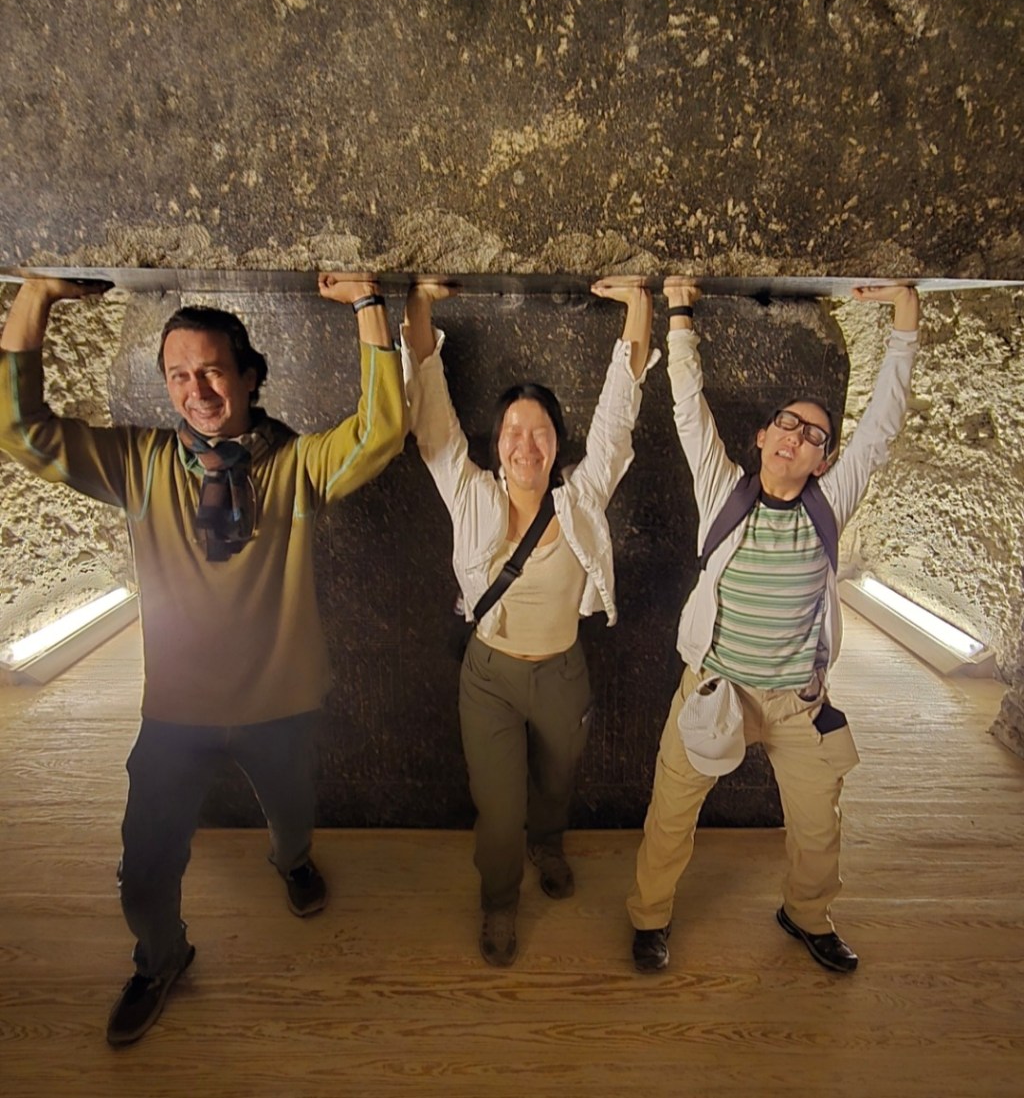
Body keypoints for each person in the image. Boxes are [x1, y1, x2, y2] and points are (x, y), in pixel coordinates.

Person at [0, 273, 406, 1045]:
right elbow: (22, 430)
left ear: (250, 376)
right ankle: (161, 958)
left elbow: (379, 432)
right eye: (179, 376)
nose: (198, 390)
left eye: (214, 370)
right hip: (176, 714)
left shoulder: (292, 465)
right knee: (144, 867)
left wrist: (367, 305)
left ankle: (290, 861)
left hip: (280, 704)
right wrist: (38, 297)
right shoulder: (139, 463)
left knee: (292, 821)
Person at [628, 278, 919, 976]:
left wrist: (907, 316)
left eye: (814, 433)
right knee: (671, 812)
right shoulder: (723, 489)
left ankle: (807, 913)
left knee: (820, 828)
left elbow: (880, 427)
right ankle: (648, 917)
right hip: (715, 689)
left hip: (797, 703)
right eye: (787, 423)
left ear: (823, 459)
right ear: (762, 437)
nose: (796, 435)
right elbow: (688, 409)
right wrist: (679, 315)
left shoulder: (829, 504)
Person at [402, 277, 656, 966]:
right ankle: (500, 901)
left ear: (555, 441)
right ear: (496, 443)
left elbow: (619, 409)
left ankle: (551, 843)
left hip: (564, 671)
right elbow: (430, 407)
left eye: (538, 429)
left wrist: (639, 301)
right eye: (513, 430)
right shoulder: (470, 492)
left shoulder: (580, 499)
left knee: (556, 781)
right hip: (489, 675)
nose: (525, 441)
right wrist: (417, 303)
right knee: (498, 802)